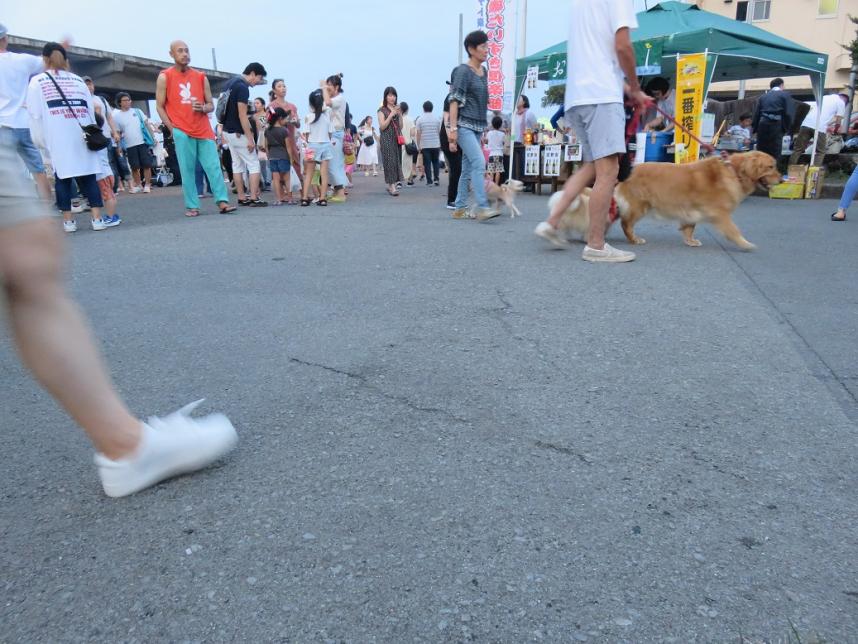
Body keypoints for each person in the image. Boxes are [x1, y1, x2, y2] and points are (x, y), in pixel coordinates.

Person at [533, 0, 649, 262]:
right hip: (602, 95)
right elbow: (622, 46)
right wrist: (635, 85)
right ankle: (596, 244)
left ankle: (552, 221)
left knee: (591, 167)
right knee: (609, 170)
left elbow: (596, 52)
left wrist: (628, 89)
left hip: (577, 96)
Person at [27, 43, 108, 233]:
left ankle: (69, 222)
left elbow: (35, 114)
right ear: (66, 60)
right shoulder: (78, 81)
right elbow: (90, 111)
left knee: (63, 177)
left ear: (45, 59)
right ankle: (97, 219)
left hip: (57, 135)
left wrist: (40, 141)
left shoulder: (38, 81)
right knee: (88, 176)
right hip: (82, 135)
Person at [155, 40, 236, 217]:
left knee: (214, 166)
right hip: (181, 130)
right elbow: (159, 106)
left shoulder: (201, 77)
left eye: (186, 51)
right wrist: (172, 128)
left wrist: (204, 107)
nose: (184, 54)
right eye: (180, 51)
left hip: (203, 129)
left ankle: (222, 201)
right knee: (187, 169)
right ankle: (192, 205)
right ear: (172, 54)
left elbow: (210, 105)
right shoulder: (165, 77)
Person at [448, 31, 497, 221]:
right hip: (463, 126)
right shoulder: (462, 71)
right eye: (483, 47)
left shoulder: (483, 72)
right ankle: (483, 207)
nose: (487, 50)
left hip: (477, 127)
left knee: (468, 168)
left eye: (487, 46)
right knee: (479, 162)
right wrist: (452, 130)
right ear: (471, 49)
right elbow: (454, 101)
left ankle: (459, 207)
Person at [0, 23, 52, 200]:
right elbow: (47, 63)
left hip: (2, 126)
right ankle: (47, 208)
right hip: (24, 124)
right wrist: (62, 46)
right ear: (5, 39)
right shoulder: (22, 60)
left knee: (5, 173)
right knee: (38, 170)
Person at [221, 62, 268, 207]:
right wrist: (250, 138)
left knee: (237, 165)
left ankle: (242, 197)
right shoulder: (242, 87)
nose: (258, 81)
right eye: (259, 78)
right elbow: (242, 115)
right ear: (252, 73)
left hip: (227, 131)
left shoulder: (229, 83)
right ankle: (254, 197)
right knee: (254, 164)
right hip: (239, 133)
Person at [789, 91, 848, 166]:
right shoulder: (841, 102)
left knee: (797, 149)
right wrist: (836, 131)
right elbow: (838, 121)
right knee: (820, 152)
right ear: (845, 100)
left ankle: (790, 170)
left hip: (806, 124)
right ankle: (814, 173)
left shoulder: (824, 97)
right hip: (819, 127)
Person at [300, 89, 332, 207]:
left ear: (311, 103)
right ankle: (322, 198)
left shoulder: (309, 117)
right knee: (324, 174)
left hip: (312, 145)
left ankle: (304, 198)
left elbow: (306, 135)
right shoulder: (327, 117)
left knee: (309, 173)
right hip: (325, 144)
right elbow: (330, 134)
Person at [752, 78, 793, 165]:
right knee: (775, 151)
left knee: (762, 151)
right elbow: (789, 113)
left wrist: (755, 129)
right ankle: (772, 173)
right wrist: (787, 129)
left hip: (762, 124)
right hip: (776, 125)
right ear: (781, 85)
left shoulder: (762, 97)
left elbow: (756, 114)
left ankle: (759, 173)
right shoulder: (785, 95)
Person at [322, 74, 348, 203]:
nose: (327, 88)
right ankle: (337, 191)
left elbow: (327, 102)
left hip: (336, 134)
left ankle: (341, 193)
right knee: (333, 164)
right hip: (331, 135)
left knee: (334, 165)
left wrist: (322, 88)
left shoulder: (339, 98)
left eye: (329, 85)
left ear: (336, 87)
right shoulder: (335, 98)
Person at [378, 86, 404, 196]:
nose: (392, 97)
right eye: (389, 95)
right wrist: (391, 115)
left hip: (395, 138)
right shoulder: (381, 110)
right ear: (385, 97)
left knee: (396, 161)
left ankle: (390, 185)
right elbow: (382, 127)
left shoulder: (397, 109)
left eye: (393, 95)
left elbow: (401, 126)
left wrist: (399, 114)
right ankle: (392, 187)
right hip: (386, 139)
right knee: (390, 162)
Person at [263, 107, 292, 205]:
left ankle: (278, 199)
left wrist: (268, 156)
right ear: (280, 118)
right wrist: (291, 158)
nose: (286, 121)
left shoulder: (267, 131)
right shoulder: (284, 130)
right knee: (287, 179)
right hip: (283, 156)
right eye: (285, 118)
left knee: (276, 179)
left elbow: (266, 146)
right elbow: (288, 147)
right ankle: (290, 198)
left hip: (272, 157)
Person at [440, 87, 462, 209]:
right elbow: (447, 120)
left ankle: (458, 198)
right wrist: (451, 141)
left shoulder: (463, 97)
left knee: (461, 169)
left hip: (460, 136)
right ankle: (451, 199)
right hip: (449, 138)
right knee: (456, 168)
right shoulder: (450, 98)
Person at [512, 94, 538, 188]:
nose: (517, 100)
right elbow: (512, 130)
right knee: (515, 165)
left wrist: (529, 135)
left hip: (526, 143)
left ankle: (528, 184)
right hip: (515, 142)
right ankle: (517, 184)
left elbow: (536, 128)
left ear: (524, 102)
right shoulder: (514, 114)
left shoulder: (529, 113)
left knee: (525, 163)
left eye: (519, 99)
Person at [416, 100, 442, 187]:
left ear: (423, 109)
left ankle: (429, 181)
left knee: (427, 163)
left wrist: (418, 145)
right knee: (436, 162)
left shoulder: (420, 119)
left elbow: (418, 134)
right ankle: (436, 179)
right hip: (436, 144)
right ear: (432, 108)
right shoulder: (437, 119)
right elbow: (439, 132)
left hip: (425, 145)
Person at [485, 115, 506, 185]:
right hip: (499, 154)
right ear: (500, 125)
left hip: (491, 154)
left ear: (492, 124)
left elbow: (486, 141)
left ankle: (491, 185)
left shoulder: (489, 133)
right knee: (498, 171)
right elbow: (503, 142)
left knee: (491, 171)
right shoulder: (502, 134)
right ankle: (496, 185)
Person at [399, 101, 416, 186]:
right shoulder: (410, 119)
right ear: (407, 109)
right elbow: (413, 133)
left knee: (399, 162)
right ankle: (410, 181)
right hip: (408, 144)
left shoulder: (397, 119)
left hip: (399, 143)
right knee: (408, 163)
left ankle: (398, 182)